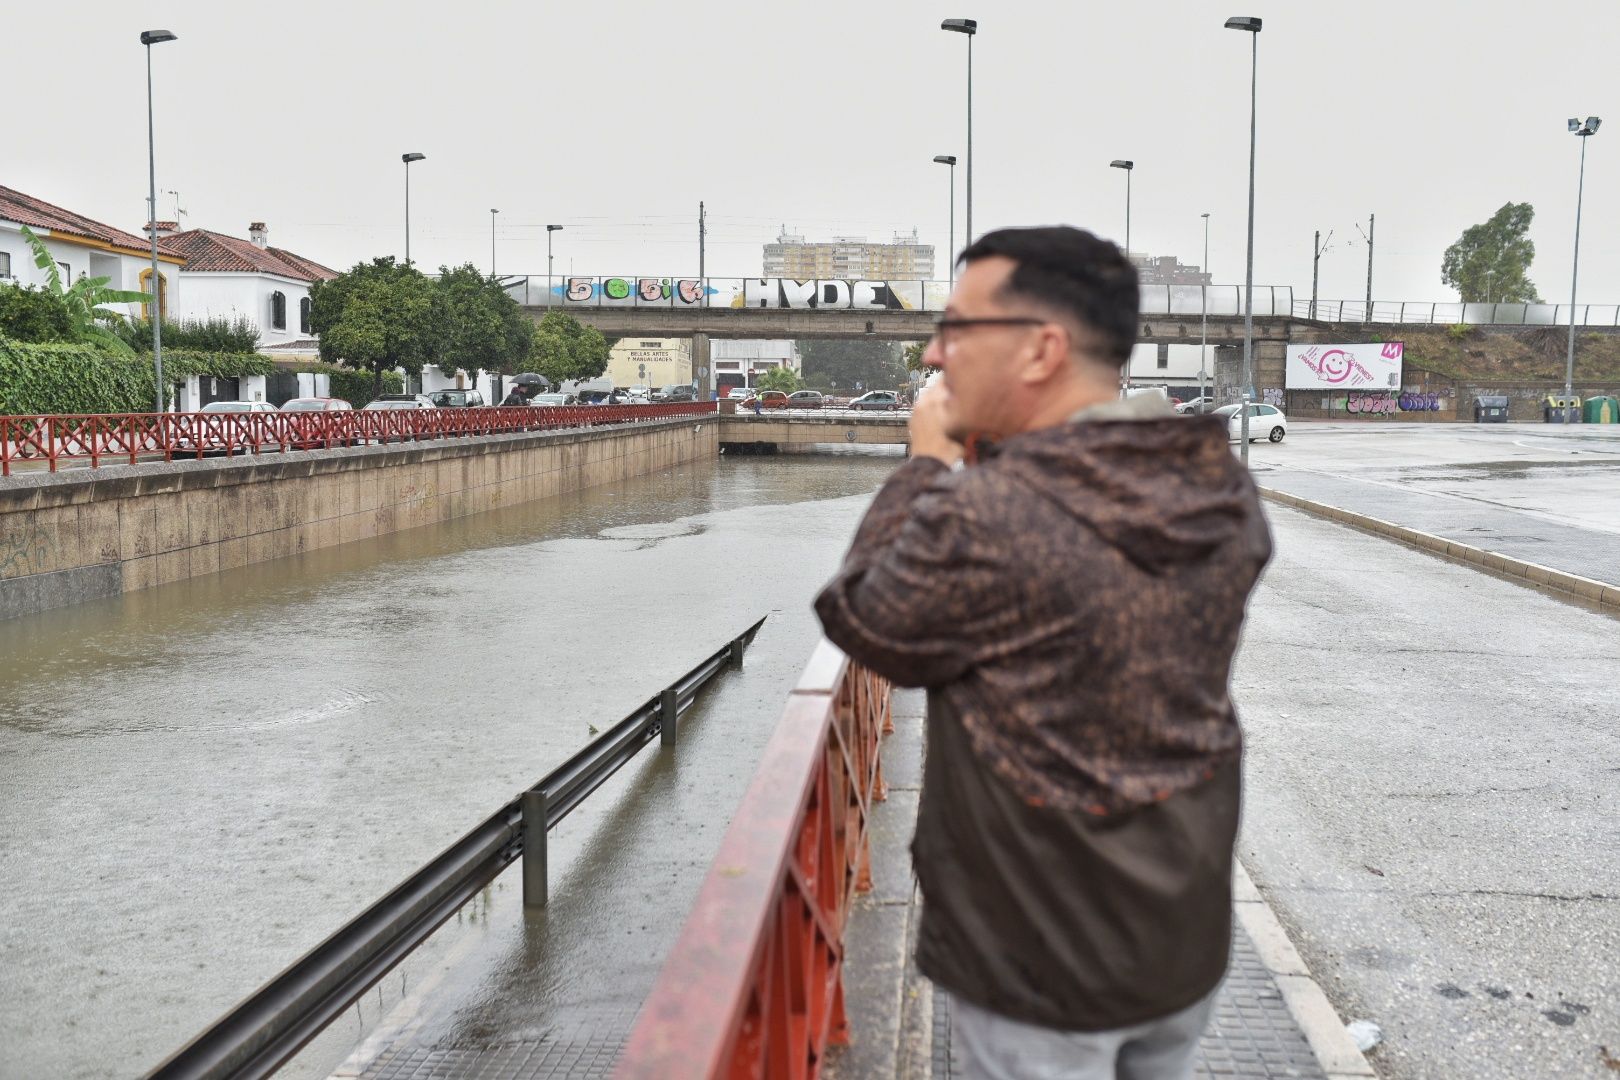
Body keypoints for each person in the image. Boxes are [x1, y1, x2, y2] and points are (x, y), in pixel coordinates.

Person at [814, 226, 1271, 1080]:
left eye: (957, 328)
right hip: (1180, 931)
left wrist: (925, 465)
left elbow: (866, 617)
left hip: (1040, 959)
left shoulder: (991, 516)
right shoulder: (1218, 486)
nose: (934, 352)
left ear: (1041, 349)